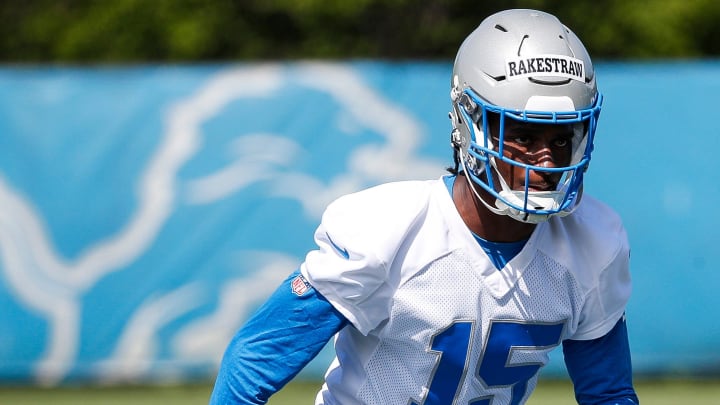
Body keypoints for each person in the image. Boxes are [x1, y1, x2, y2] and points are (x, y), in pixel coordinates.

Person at [210, 8, 639, 405]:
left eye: (561, 139)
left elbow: (609, 393)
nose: (546, 161)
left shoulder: (592, 242)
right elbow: (257, 356)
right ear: (468, 126)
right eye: (524, 137)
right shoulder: (390, 229)